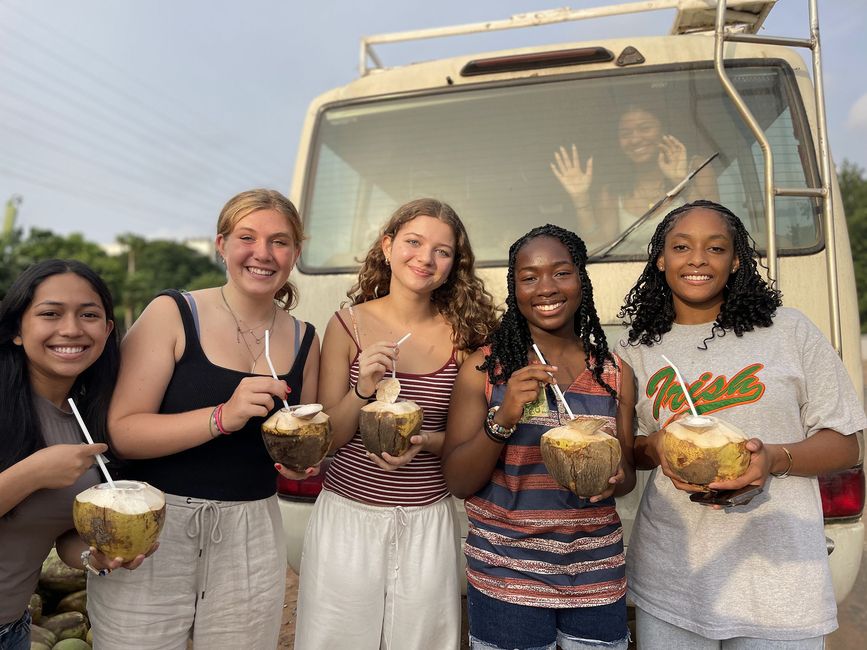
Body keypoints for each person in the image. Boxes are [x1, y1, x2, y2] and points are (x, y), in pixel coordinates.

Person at [617, 200, 866, 648]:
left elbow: (846, 444)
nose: (697, 259)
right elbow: (628, 448)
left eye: (715, 248)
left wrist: (773, 458)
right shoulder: (637, 348)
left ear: (735, 262)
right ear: (660, 258)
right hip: (675, 575)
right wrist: (655, 447)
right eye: (681, 247)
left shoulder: (789, 330)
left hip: (780, 578)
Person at [87, 189, 319, 649]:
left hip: (252, 530)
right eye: (247, 237)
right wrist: (222, 417)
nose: (263, 253)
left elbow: (303, 440)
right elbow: (124, 433)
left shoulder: (305, 338)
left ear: (295, 252)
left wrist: (302, 463)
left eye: (279, 242)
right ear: (221, 245)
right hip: (154, 523)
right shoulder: (173, 313)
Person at [293, 198, 499, 650]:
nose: (425, 258)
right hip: (349, 516)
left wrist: (422, 440)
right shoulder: (347, 326)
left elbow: (468, 441)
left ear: (453, 265)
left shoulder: (466, 335)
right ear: (387, 247)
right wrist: (363, 387)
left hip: (427, 520)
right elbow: (329, 439)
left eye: (442, 251)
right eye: (413, 242)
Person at [442, 224, 635, 650]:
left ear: (581, 280)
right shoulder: (485, 369)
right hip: (506, 576)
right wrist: (505, 415)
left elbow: (627, 478)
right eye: (529, 277)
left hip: (596, 576)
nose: (546, 287)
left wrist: (610, 477)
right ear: (515, 289)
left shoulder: (615, 373)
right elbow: (458, 481)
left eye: (561, 273)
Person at [0, 259, 146, 650]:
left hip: (12, 628)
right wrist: (32, 472)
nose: (71, 329)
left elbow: (58, 526)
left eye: (89, 315)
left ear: (107, 330)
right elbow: (36, 483)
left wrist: (94, 555)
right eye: (50, 313)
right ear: (17, 329)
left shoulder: (89, 420)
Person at [550, 104, 718, 251]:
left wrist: (681, 181)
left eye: (645, 128)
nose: (635, 139)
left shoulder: (697, 168)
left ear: (663, 130)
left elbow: (715, 229)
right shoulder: (613, 191)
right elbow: (598, 246)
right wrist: (580, 198)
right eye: (625, 134)